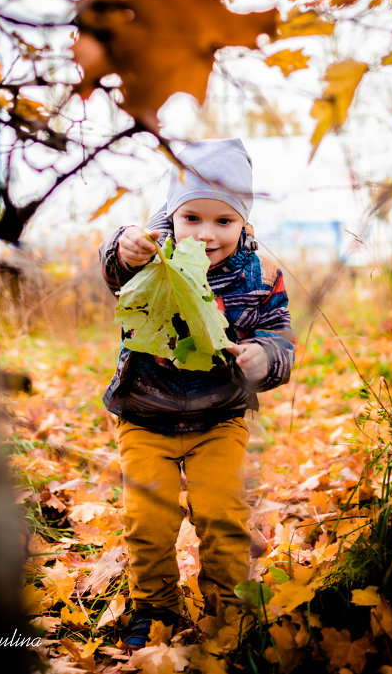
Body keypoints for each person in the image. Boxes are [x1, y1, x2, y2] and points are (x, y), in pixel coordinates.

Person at [99, 138, 296, 649]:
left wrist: (265, 357)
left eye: (223, 221)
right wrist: (123, 244)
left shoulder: (261, 275)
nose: (207, 234)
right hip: (146, 416)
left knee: (222, 513)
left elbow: (280, 338)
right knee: (147, 517)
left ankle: (229, 609)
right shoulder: (149, 255)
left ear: (243, 223)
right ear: (171, 216)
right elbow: (115, 265)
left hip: (220, 420)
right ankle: (156, 608)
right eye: (192, 218)